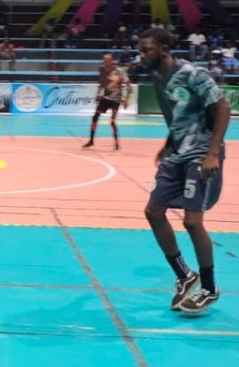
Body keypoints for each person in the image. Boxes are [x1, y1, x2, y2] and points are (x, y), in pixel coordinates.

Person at [138, 27, 231, 316]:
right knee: (153, 212)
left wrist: (213, 152)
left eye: (146, 50)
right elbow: (176, 113)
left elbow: (223, 106)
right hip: (177, 153)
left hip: (201, 153)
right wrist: (168, 143)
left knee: (192, 221)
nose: (141, 55)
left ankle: (209, 287)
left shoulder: (192, 73)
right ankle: (184, 274)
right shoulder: (155, 75)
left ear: (164, 49)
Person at [83, 53, 131, 150]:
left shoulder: (119, 71)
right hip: (105, 98)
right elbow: (101, 83)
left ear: (112, 61)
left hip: (116, 99)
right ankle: (91, 141)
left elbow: (128, 86)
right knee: (95, 117)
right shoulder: (102, 70)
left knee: (112, 121)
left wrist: (126, 99)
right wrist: (98, 94)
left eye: (108, 61)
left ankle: (116, 143)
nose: (105, 62)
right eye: (104, 60)